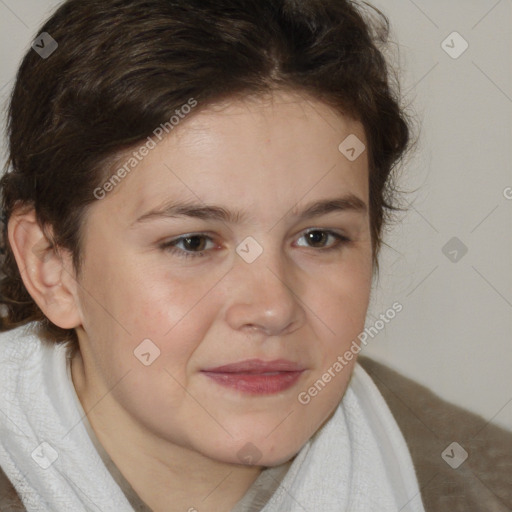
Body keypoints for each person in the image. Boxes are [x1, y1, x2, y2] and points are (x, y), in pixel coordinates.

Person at [0, 1, 510, 511]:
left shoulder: (483, 483)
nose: (273, 309)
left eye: (318, 237)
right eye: (193, 242)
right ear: (53, 267)